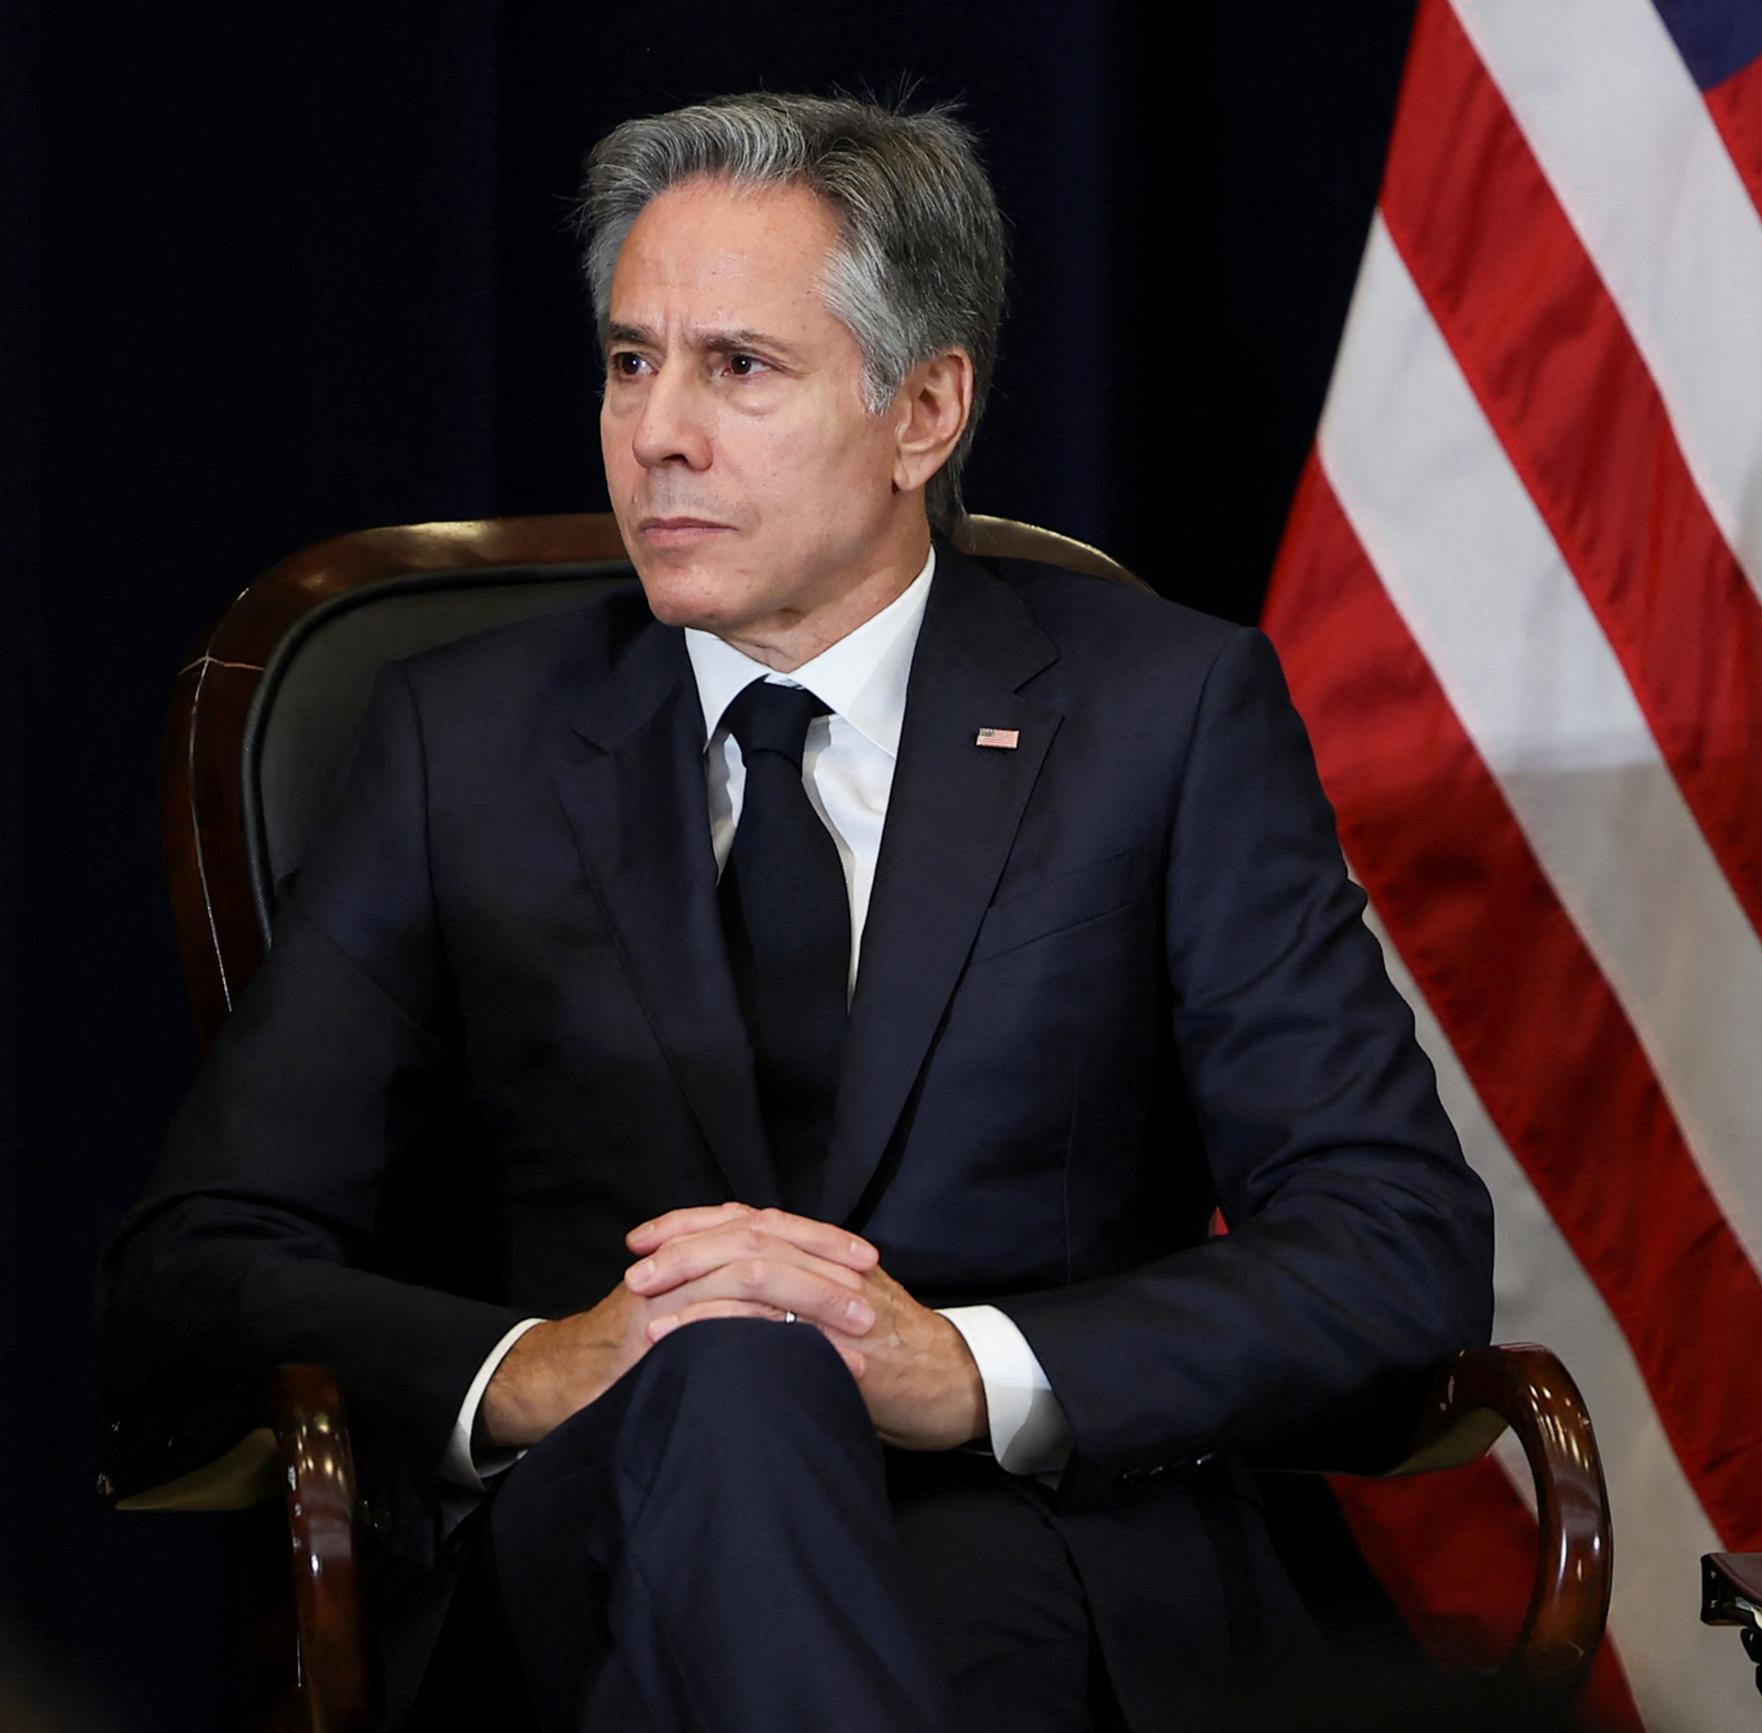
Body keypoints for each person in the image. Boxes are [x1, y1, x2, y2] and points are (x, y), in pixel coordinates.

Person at [100, 92, 1492, 1732]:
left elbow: (1397, 1242)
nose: (656, 434)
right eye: (631, 361)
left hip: (1036, 1535)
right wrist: (539, 1364)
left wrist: (963, 1366)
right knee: (741, 1385)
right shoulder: (455, 745)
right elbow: (196, 1264)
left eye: (737, 368)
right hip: (595, 1537)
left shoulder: (1158, 720)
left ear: (925, 411)